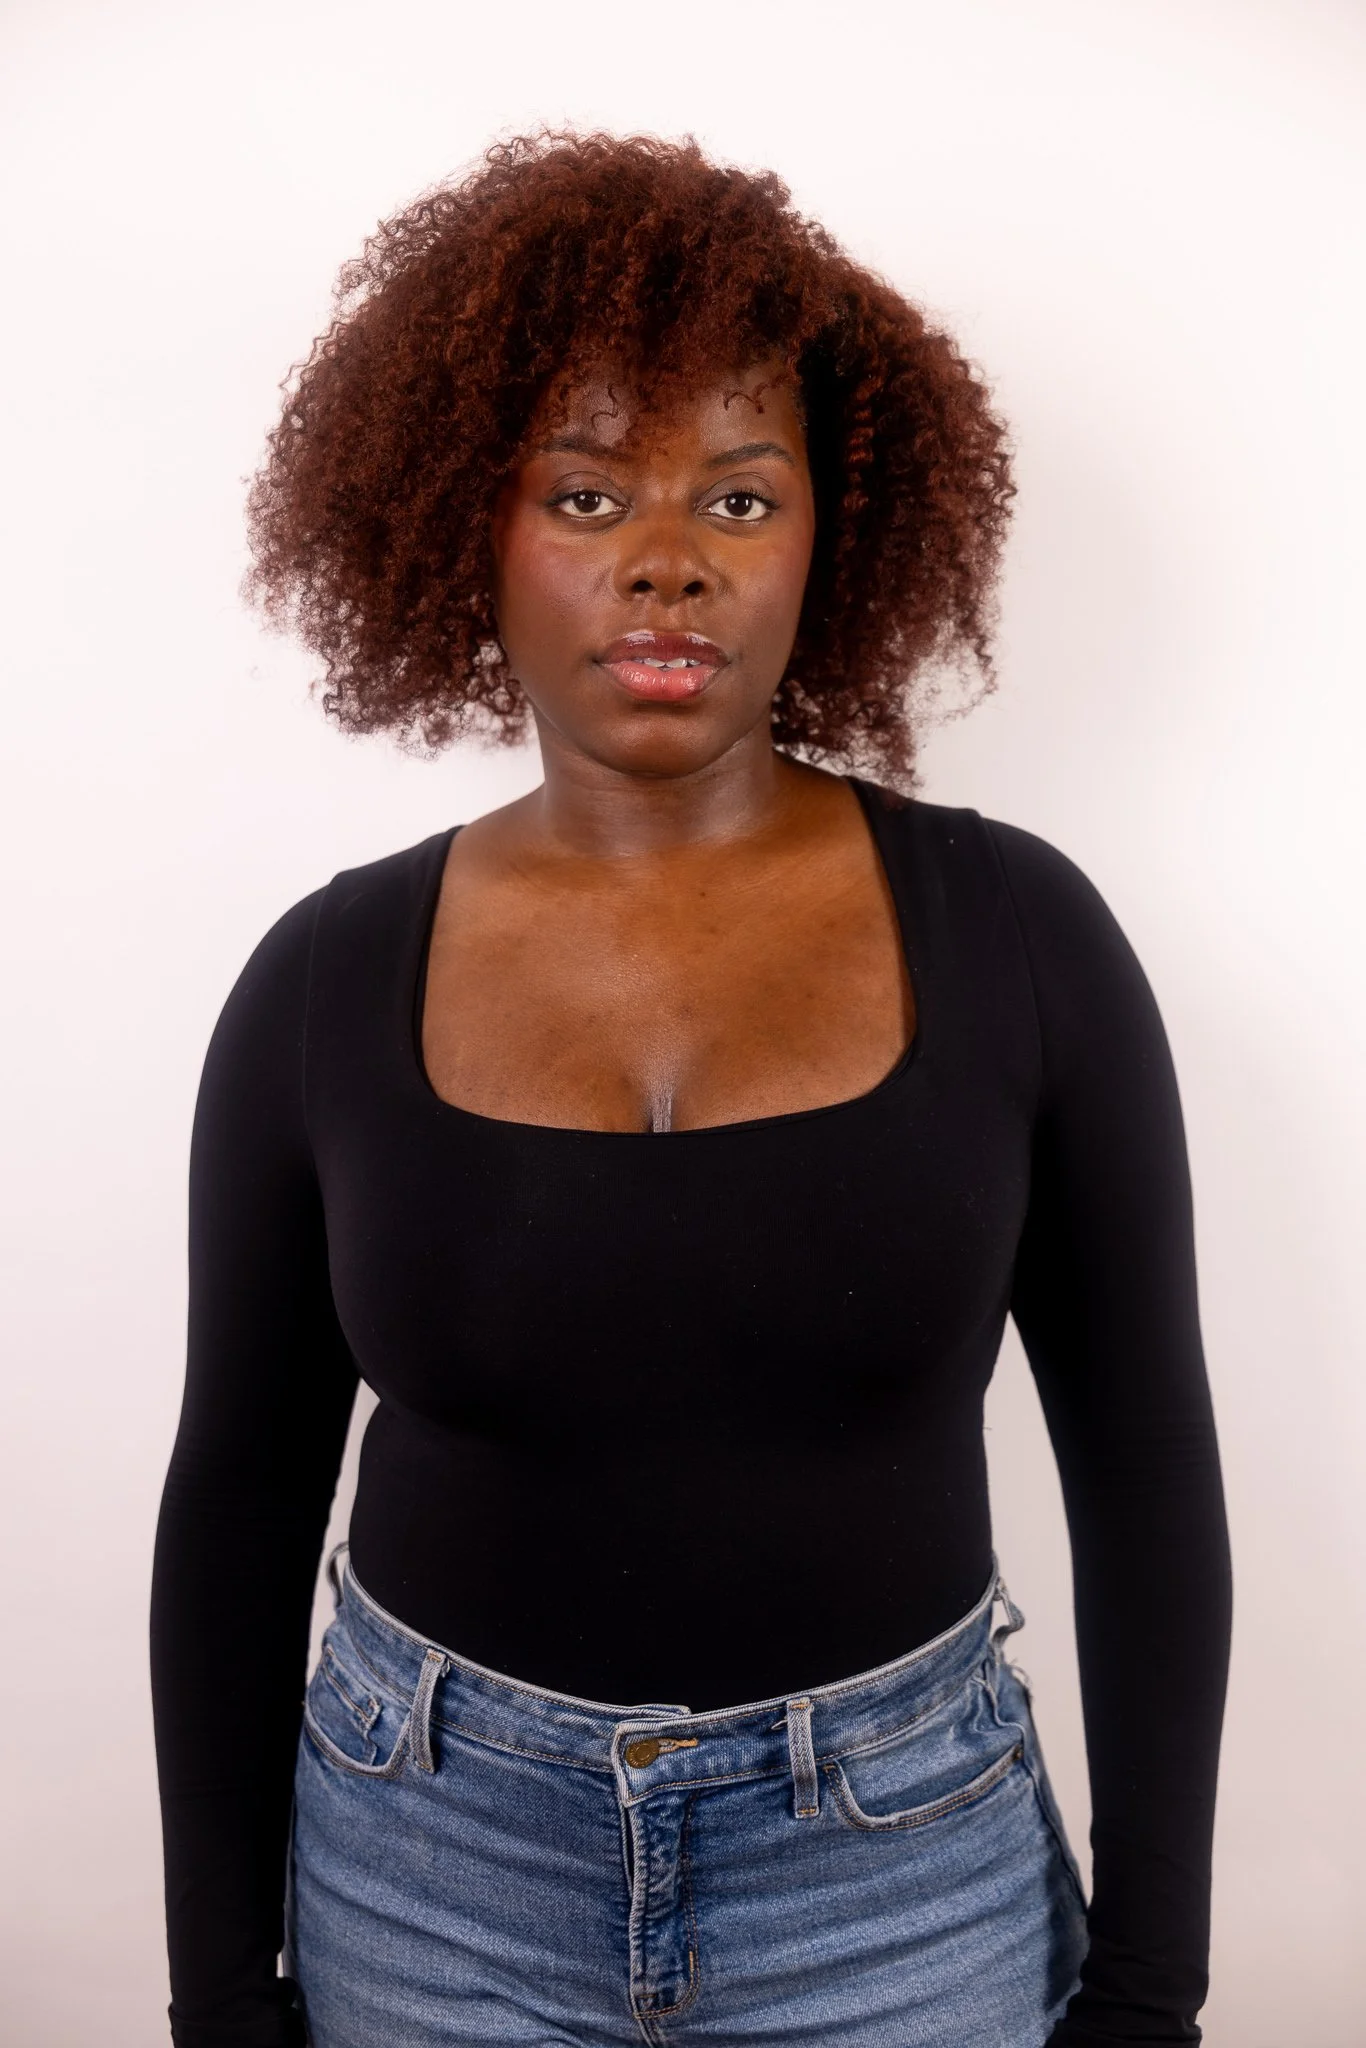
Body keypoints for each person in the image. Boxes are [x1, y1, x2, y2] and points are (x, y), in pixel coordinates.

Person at [150, 130, 1232, 2048]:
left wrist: (1148, 1989)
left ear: (835, 532)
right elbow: (237, 1496)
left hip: (899, 1876)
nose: (665, 556)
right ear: (457, 527)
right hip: (429, 1867)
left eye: (740, 497)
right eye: (585, 491)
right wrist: (225, 1991)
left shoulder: (1019, 937)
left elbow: (1143, 1468)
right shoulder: (322, 981)